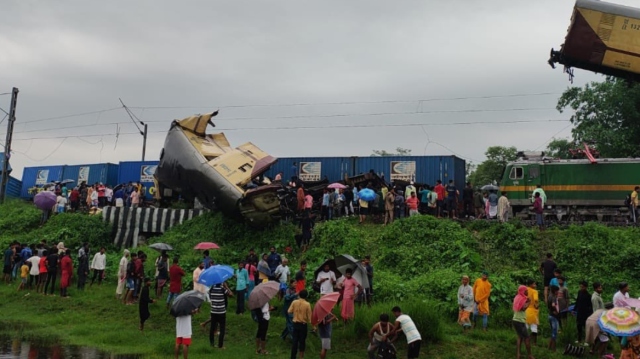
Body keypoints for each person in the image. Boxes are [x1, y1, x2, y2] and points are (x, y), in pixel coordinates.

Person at [512, 285, 534, 359]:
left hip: (515, 319)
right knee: (527, 338)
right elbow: (523, 308)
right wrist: (529, 302)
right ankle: (530, 355)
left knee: (520, 337)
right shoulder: (522, 298)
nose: (527, 291)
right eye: (526, 290)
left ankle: (518, 354)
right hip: (520, 321)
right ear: (523, 291)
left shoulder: (517, 297)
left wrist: (527, 300)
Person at [289, 289, 312, 359]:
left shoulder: (294, 302)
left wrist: (295, 313)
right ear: (306, 296)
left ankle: (293, 357)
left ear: (299, 295)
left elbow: (289, 311)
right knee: (302, 341)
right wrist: (313, 326)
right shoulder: (307, 304)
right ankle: (301, 357)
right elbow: (309, 317)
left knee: (295, 341)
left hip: (295, 324)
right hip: (303, 325)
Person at [209, 283, 232, 349]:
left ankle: (212, 344)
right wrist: (227, 287)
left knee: (212, 328)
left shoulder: (212, 288)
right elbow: (231, 295)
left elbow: (210, 297)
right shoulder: (222, 288)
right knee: (222, 329)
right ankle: (220, 345)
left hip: (213, 311)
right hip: (221, 312)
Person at [575, 280, 593, 345]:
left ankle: (586, 340)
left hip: (585, 314)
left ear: (586, 287)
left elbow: (590, 306)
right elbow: (577, 301)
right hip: (579, 313)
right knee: (579, 326)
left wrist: (589, 314)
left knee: (585, 327)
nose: (581, 288)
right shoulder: (579, 292)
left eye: (582, 287)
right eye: (580, 287)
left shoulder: (588, 295)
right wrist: (575, 309)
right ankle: (579, 339)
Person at [525, 279, 540, 345]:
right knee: (534, 328)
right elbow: (536, 299)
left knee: (525, 327)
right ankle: (534, 342)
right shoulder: (534, 291)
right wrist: (537, 305)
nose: (535, 285)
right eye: (534, 284)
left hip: (525, 310)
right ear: (530, 284)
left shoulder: (525, 290)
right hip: (532, 311)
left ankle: (523, 340)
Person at [547, 285, 560, 352]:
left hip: (549, 315)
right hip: (553, 316)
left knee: (553, 332)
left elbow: (549, 305)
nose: (558, 292)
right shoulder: (554, 297)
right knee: (554, 333)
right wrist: (556, 311)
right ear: (555, 291)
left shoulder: (549, 296)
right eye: (557, 290)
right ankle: (554, 349)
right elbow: (553, 305)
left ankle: (549, 348)